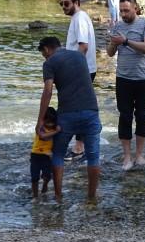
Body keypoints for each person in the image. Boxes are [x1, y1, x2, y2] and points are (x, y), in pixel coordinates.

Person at [36, 36, 102, 203]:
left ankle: (58, 197)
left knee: (58, 154)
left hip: (67, 114)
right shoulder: (79, 56)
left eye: (44, 54)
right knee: (93, 156)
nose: (45, 57)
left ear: (46, 50)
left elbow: (48, 91)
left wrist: (40, 121)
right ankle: (91, 197)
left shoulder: (49, 63)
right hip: (91, 111)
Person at [106, 0, 145, 171]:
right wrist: (114, 43)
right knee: (125, 116)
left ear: (135, 8)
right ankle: (127, 156)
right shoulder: (118, 26)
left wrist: (126, 41)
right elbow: (110, 53)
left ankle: (139, 154)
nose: (124, 14)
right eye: (121, 11)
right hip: (123, 78)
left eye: (126, 10)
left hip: (144, 78)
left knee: (142, 116)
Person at [60, 0, 97, 161]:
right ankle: (80, 146)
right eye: (61, 3)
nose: (64, 7)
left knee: (78, 108)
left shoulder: (79, 18)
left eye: (66, 3)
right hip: (84, 70)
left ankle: (79, 148)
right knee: (80, 108)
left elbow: (83, 46)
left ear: (76, 2)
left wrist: (73, 69)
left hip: (82, 71)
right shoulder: (78, 17)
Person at [30, 107, 59, 198]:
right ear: (42, 119)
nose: (49, 124)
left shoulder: (54, 127)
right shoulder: (40, 127)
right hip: (36, 155)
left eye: (51, 122)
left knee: (47, 175)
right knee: (35, 178)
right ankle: (35, 196)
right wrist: (56, 131)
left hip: (47, 156)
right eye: (47, 121)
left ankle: (45, 185)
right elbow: (43, 136)